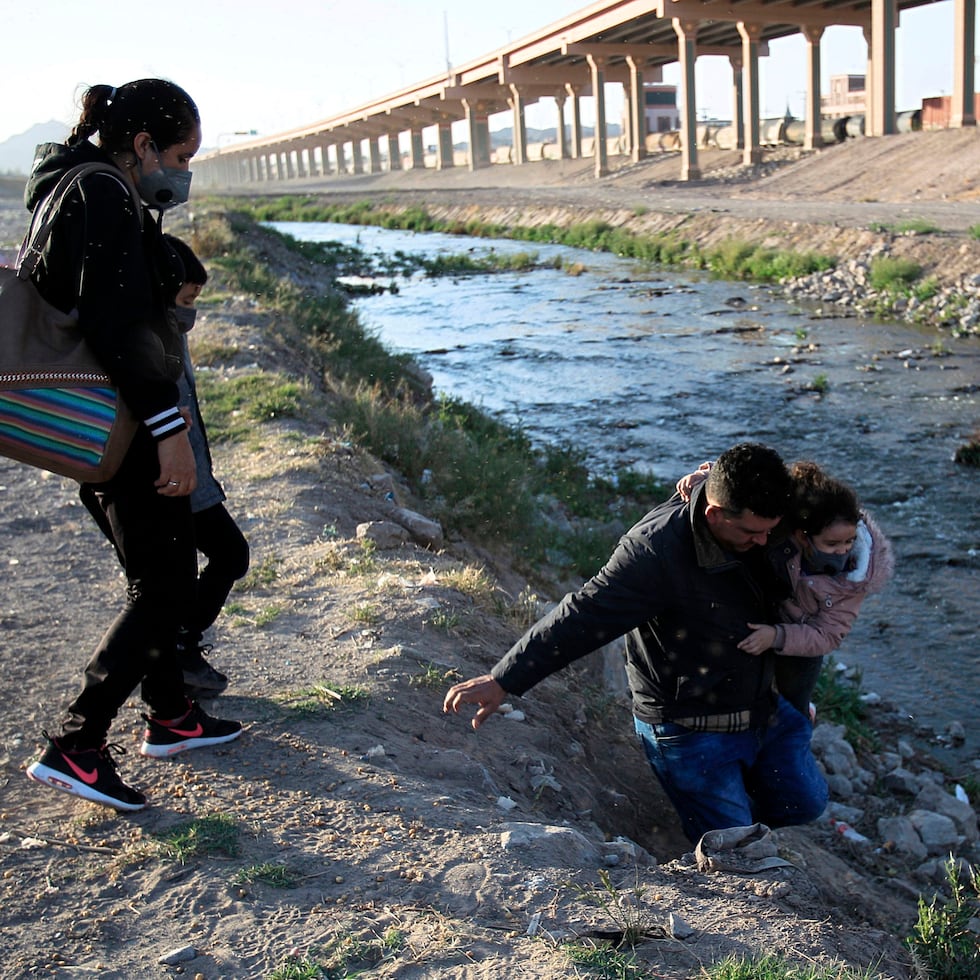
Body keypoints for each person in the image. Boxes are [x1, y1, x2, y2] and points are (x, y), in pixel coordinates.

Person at [23, 79, 242, 813]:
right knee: (166, 587)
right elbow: (120, 329)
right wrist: (168, 433)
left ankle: (172, 716)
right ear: (142, 145)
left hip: (103, 423)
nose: (183, 172)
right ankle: (76, 744)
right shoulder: (106, 196)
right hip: (125, 425)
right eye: (181, 155)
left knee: (162, 575)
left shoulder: (66, 184)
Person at [443, 442, 829, 844]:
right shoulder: (653, 554)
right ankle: (706, 830)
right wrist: (504, 678)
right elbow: (583, 615)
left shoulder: (762, 515)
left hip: (759, 707)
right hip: (690, 730)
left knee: (804, 803)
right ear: (714, 514)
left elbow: (845, 521)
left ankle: (723, 804)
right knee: (736, 848)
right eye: (753, 533)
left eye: (771, 530)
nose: (766, 542)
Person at [80, 236, 250, 699]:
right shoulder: (139, 341)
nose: (192, 312)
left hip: (186, 477)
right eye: (187, 300)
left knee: (171, 586)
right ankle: (99, 716)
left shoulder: (164, 332)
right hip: (168, 480)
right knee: (192, 575)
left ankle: (170, 687)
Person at [678, 459, 894, 718]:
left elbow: (828, 635)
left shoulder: (854, 578)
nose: (843, 550)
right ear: (802, 536)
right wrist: (704, 480)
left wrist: (777, 636)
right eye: (832, 543)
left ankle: (800, 722)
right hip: (761, 609)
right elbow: (744, 485)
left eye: (848, 541)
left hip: (801, 642)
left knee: (793, 701)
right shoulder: (787, 516)